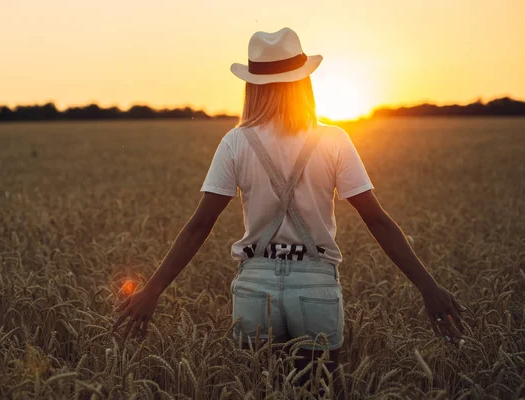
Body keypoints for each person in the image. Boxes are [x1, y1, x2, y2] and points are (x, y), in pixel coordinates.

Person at [113, 27, 467, 396]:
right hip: (315, 284)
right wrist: (428, 287)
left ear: (252, 86)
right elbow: (377, 220)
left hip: (255, 287)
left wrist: (152, 290)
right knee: (316, 391)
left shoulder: (236, 141)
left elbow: (199, 225)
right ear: (303, 83)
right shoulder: (334, 140)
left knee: (259, 390)